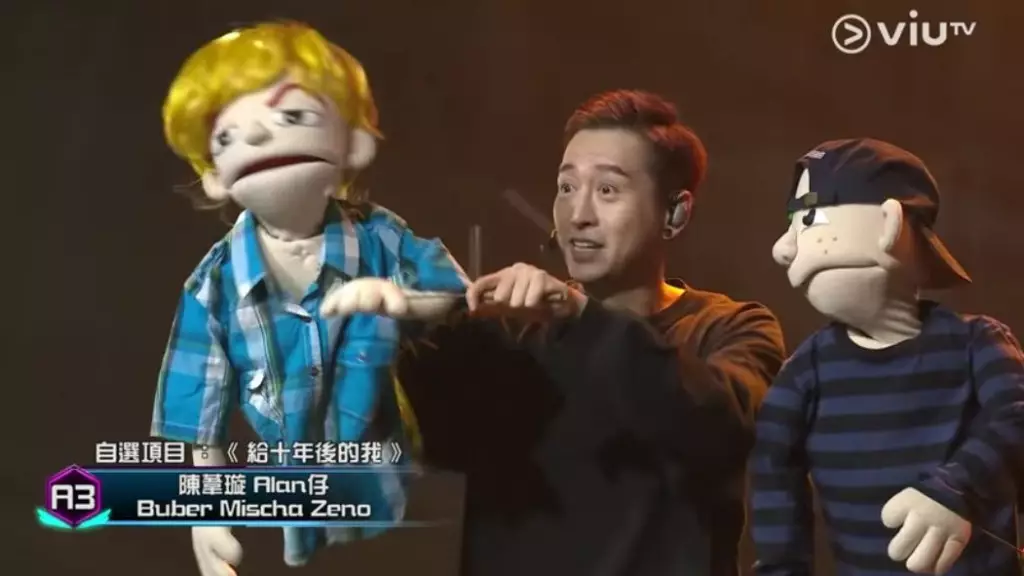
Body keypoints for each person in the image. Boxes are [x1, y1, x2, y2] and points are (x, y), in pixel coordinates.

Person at [390, 90, 786, 575]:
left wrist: (579, 317)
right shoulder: (511, 333)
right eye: (566, 187)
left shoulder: (731, 327)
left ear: (675, 212)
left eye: (608, 190)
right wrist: (406, 325)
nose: (578, 214)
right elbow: (428, 438)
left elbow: (720, 429)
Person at [150, 22, 469, 576]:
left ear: (354, 142)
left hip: (399, 507)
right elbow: (200, 420)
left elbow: (458, 295)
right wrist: (207, 516)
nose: (257, 138)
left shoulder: (381, 238)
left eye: (293, 116)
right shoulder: (213, 287)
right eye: (227, 136)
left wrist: (401, 301)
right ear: (213, 175)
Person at [750, 138, 1024, 576]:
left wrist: (956, 490)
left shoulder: (977, 343)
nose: (782, 249)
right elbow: (774, 477)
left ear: (889, 224)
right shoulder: (805, 374)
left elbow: (1015, 417)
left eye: (810, 219)